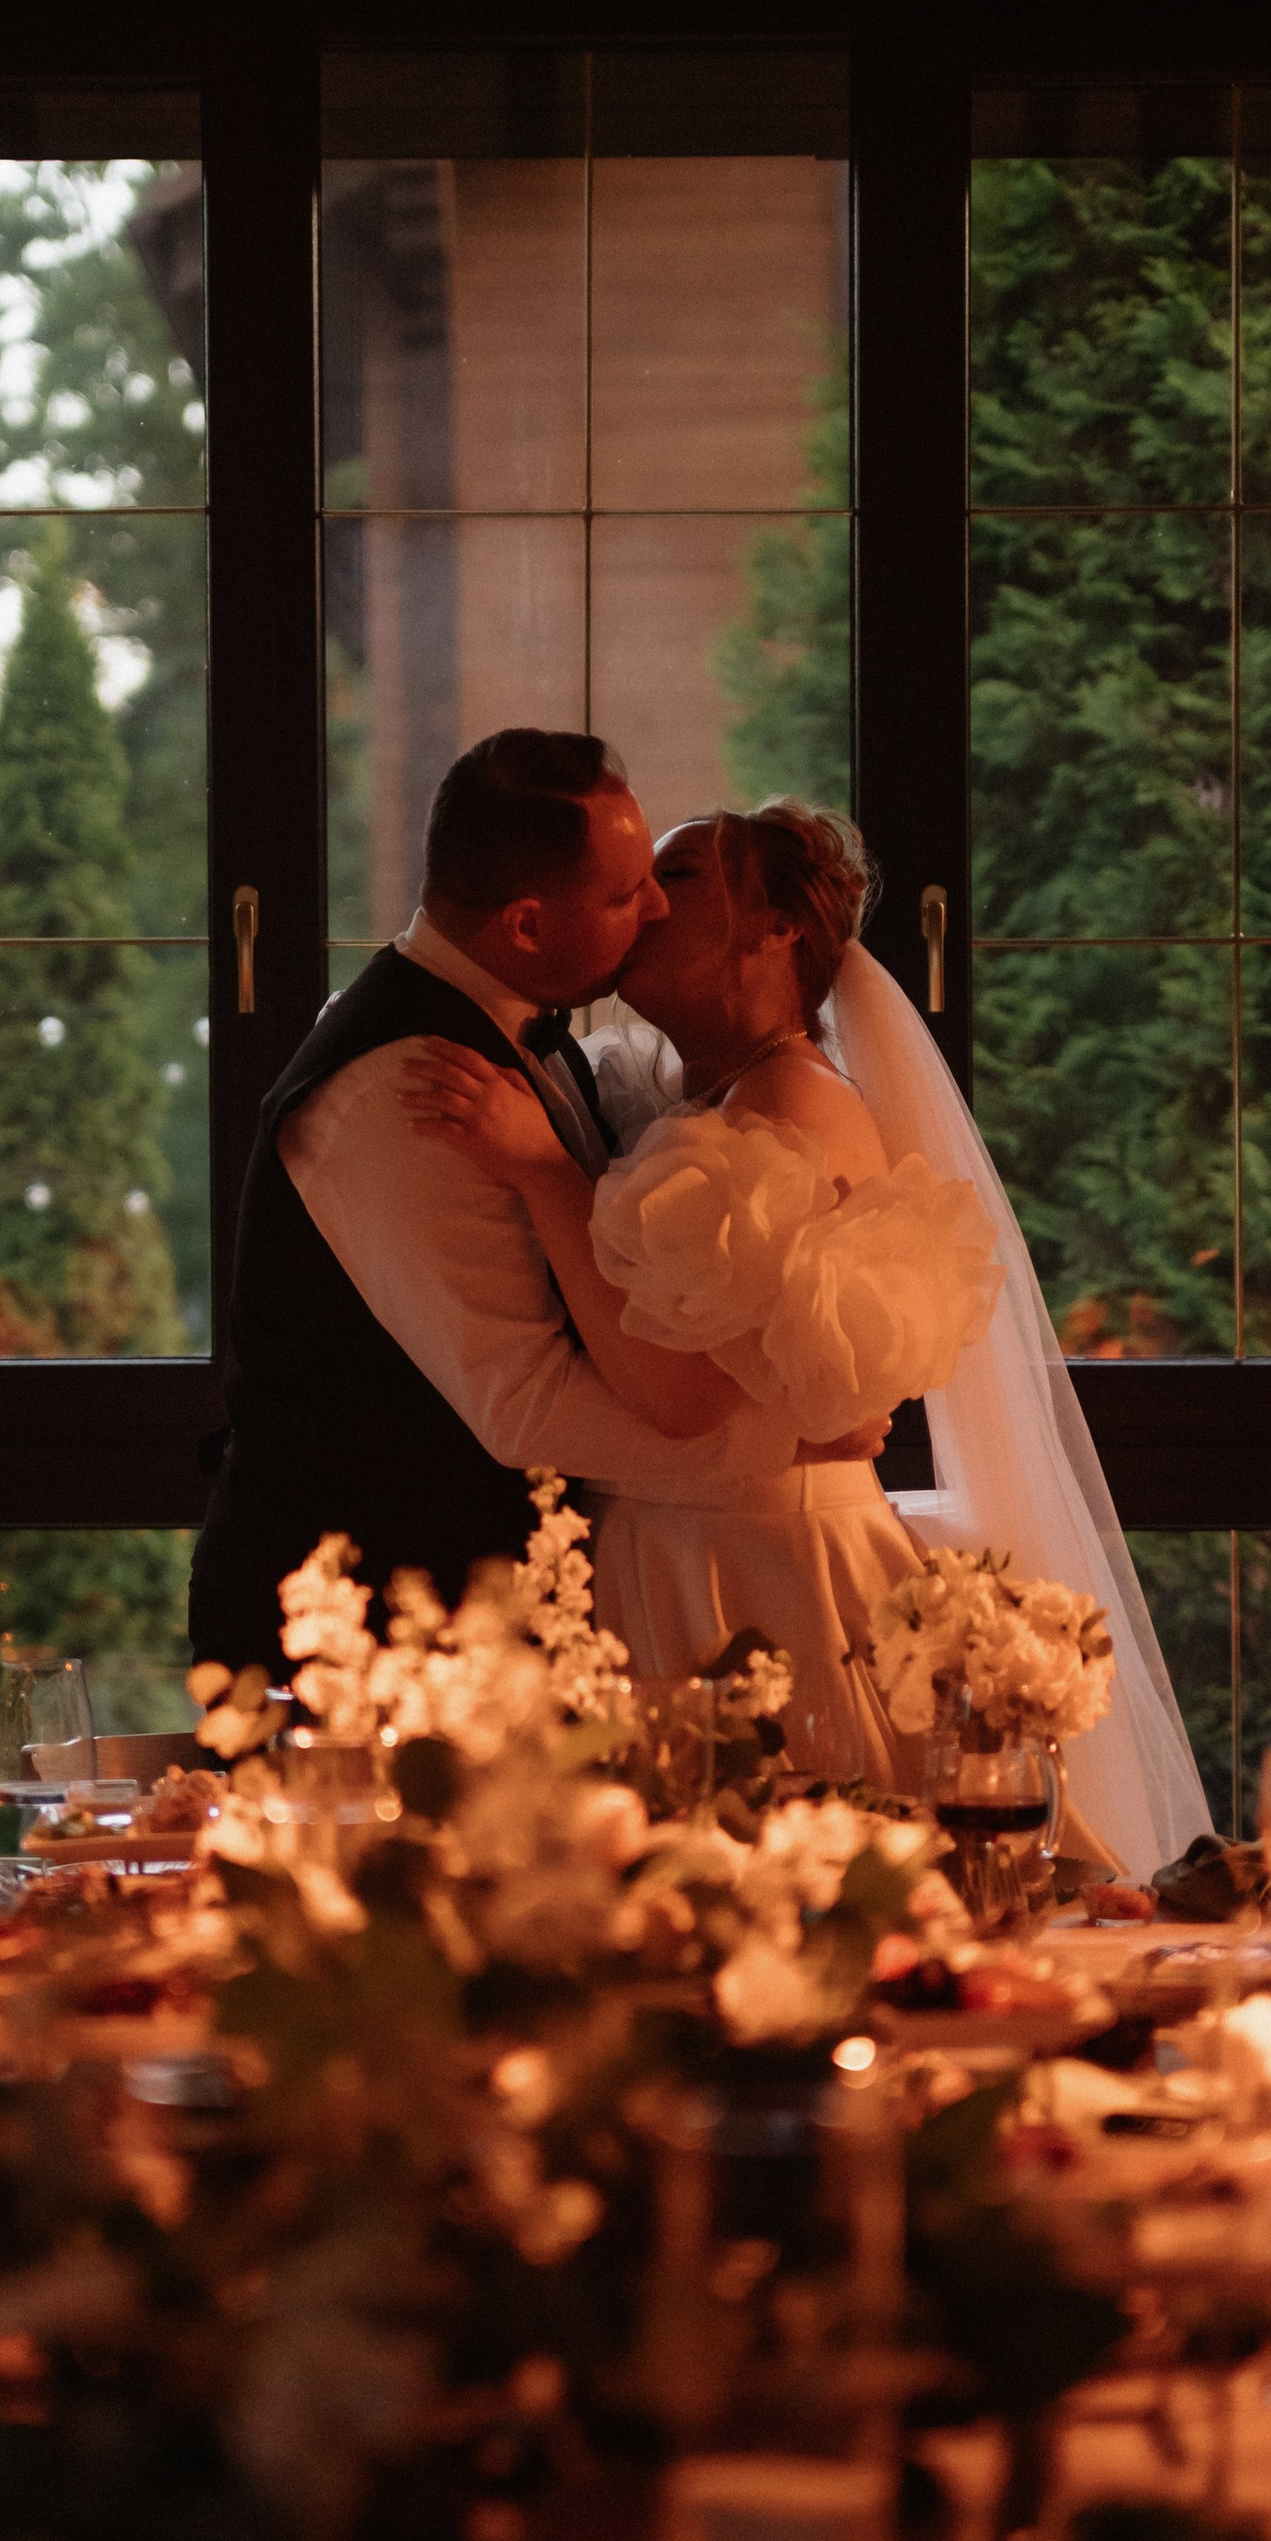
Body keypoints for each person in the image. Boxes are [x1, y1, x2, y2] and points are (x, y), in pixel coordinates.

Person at [400, 799, 1212, 1873]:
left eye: (678, 877)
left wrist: (544, 1172)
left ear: (775, 926)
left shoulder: (787, 1108)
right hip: (693, 1553)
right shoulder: (702, 1099)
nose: (644, 902)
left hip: (762, 1581)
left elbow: (678, 1400)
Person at [188, 729, 867, 1668]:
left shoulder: (532, 1048)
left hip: (489, 1621)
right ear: (526, 926)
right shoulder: (407, 1086)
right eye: (629, 893)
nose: (658, 907)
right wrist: (784, 1438)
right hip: (351, 1638)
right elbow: (529, 1405)